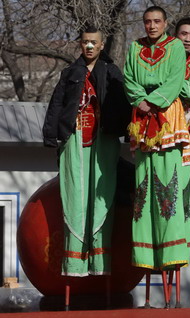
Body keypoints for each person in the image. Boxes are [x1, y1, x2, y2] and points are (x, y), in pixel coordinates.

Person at [123, 5, 190, 308]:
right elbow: (129, 77)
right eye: (147, 22)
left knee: (167, 190)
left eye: (156, 21)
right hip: (141, 121)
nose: (151, 26)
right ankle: (149, 261)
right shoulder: (134, 47)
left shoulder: (175, 46)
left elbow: (175, 80)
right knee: (145, 192)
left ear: (166, 24)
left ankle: (172, 262)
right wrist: (139, 100)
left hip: (168, 117)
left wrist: (151, 102)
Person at [43, 25, 129, 278]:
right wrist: (51, 135)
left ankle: (100, 263)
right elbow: (57, 103)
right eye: (85, 42)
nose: (89, 46)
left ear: (102, 45)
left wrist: (126, 131)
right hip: (74, 138)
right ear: (80, 44)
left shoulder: (112, 72)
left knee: (102, 198)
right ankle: (75, 264)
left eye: (94, 42)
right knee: (75, 196)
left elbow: (123, 103)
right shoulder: (69, 73)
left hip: (104, 139)